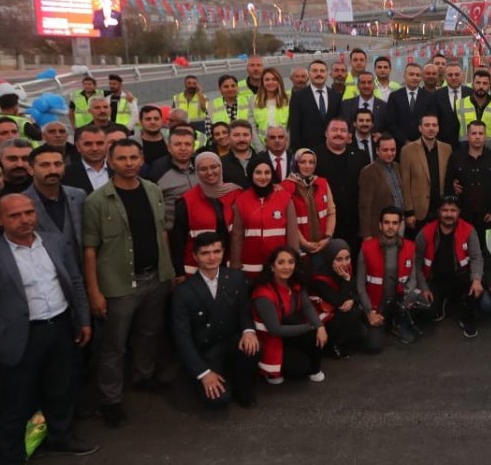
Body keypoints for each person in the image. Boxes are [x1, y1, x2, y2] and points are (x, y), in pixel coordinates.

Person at [0, 194, 97, 462]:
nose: (24, 220)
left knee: (60, 389)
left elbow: (74, 281)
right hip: (21, 337)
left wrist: (83, 319)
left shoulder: (54, 242)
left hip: (60, 328)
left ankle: (60, 437)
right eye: (15, 215)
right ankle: (10, 454)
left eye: (29, 212)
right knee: (16, 401)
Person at [82, 139, 176, 428]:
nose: (128, 163)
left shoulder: (153, 190)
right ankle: (110, 399)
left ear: (142, 159)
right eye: (122, 158)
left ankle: (142, 376)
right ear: (111, 162)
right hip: (119, 285)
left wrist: (169, 270)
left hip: (155, 277)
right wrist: (94, 291)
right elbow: (90, 249)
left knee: (149, 333)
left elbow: (162, 232)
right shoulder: (96, 201)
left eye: (133, 157)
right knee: (114, 345)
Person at [170, 232, 259, 408]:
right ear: (195, 256)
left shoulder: (236, 278)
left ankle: (241, 385)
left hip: (230, 342)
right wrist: (204, 373)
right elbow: (182, 339)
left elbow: (244, 311)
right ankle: (201, 377)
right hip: (205, 352)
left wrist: (249, 331)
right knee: (219, 401)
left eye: (216, 251)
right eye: (205, 253)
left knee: (253, 346)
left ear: (223, 252)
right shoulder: (183, 292)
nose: (212, 257)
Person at [251, 248, 326, 384]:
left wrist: (319, 326)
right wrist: (309, 327)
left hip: (290, 331)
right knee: (299, 369)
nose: (287, 267)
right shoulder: (263, 294)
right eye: (281, 262)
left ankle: (314, 369)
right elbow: (275, 330)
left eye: (291, 262)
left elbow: (307, 306)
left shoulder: (296, 283)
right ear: (272, 266)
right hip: (271, 338)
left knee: (318, 333)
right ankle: (272, 370)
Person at [413, 196, 485, 337]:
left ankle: (467, 317)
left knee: (475, 291)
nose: (449, 214)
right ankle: (441, 303)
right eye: (445, 210)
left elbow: (477, 257)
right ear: (438, 211)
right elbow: (416, 262)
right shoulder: (426, 232)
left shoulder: (469, 230)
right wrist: (424, 287)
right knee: (427, 311)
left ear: (459, 212)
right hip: (435, 280)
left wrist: (476, 279)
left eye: (453, 210)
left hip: (461, 278)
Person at [357, 207, 423, 344]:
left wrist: (405, 298)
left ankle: (398, 322)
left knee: (425, 303)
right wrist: (369, 312)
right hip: (376, 305)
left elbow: (412, 279)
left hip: (399, 302)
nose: (390, 227)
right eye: (386, 222)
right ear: (380, 225)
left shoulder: (410, 247)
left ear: (400, 225)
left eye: (394, 223)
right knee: (375, 344)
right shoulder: (366, 248)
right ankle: (381, 323)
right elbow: (360, 286)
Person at [172, 152, 242, 276]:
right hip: (196, 272)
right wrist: (179, 273)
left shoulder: (237, 194)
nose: (209, 172)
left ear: (221, 167)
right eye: (203, 169)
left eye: (214, 167)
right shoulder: (186, 202)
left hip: (229, 268)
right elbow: (178, 241)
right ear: (196, 172)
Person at [309, 240, 385, 356]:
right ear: (330, 258)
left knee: (375, 344)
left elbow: (356, 291)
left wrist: (352, 300)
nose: (344, 263)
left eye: (347, 258)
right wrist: (346, 279)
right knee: (354, 313)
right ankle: (333, 345)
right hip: (328, 319)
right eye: (339, 259)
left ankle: (348, 339)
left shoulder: (347, 269)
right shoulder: (320, 278)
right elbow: (339, 303)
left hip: (346, 316)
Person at [230, 160, 301, 278]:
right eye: (258, 172)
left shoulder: (285, 198)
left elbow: (292, 234)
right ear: (251, 174)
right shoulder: (241, 200)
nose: (263, 177)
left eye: (267, 172)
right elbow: (237, 236)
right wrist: (235, 265)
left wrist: (294, 263)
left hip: (279, 268)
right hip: (250, 267)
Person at [24, 146, 87, 266]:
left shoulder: (78, 196)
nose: (53, 170)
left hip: (81, 268)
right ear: (31, 170)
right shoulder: (22, 202)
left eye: (58, 164)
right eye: (45, 165)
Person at [314, 118, 366, 247]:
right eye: (334, 130)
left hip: (353, 223)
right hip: (324, 224)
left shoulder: (361, 156)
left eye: (343, 130)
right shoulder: (314, 157)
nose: (338, 133)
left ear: (349, 135)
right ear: (326, 133)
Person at [283, 148, 337, 267]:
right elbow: (288, 221)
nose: (307, 166)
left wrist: (327, 237)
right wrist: (304, 243)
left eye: (311, 162)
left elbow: (331, 212)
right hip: (298, 247)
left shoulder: (322, 183)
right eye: (303, 162)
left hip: (322, 245)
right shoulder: (286, 186)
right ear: (295, 164)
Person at [288, 60, 342, 152]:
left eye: (322, 71)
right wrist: (298, 150)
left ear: (327, 74)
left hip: (332, 149)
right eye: (315, 71)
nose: (319, 74)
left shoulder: (336, 96)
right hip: (308, 150)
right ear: (309, 74)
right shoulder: (298, 97)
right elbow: (294, 126)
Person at [357, 135, 403, 240]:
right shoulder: (368, 172)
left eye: (393, 150)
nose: (390, 153)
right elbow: (364, 207)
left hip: (399, 224)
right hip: (378, 228)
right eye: (385, 150)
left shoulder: (397, 167)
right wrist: (366, 234)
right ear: (377, 151)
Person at [384, 62, 436, 149]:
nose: (415, 78)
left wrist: (421, 141)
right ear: (404, 76)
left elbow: (431, 121)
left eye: (418, 75)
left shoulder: (429, 97)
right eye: (411, 74)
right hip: (400, 145)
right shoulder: (394, 96)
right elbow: (391, 123)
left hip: (423, 145)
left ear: (421, 78)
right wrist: (405, 141)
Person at [62, 125, 110, 193]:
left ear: (107, 145)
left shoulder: (118, 170)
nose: (95, 149)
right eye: (88, 144)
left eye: (100, 143)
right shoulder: (66, 174)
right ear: (78, 147)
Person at [432, 62, 471, 144]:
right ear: (445, 77)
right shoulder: (436, 95)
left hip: (467, 142)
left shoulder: (471, 93)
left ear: (462, 75)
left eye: (457, 74)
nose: (453, 77)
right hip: (444, 142)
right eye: (450, 75)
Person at [253, 68, 290, 140]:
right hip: (262, 143)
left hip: (284, 143)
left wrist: (287, 143)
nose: (270, 82)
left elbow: (293, 126)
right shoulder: (253, 100)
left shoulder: (289, 99)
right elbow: (252, 127)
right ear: (262, 82)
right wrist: (259, 146)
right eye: (267, 80)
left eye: (274, 79)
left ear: (279, 81)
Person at [220, 119, 257, 188]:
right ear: (228, 137)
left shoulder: (263, 160)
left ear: (251, 137)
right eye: (236, 135)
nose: (241, 139)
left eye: (245, 135)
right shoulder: (220, 164)